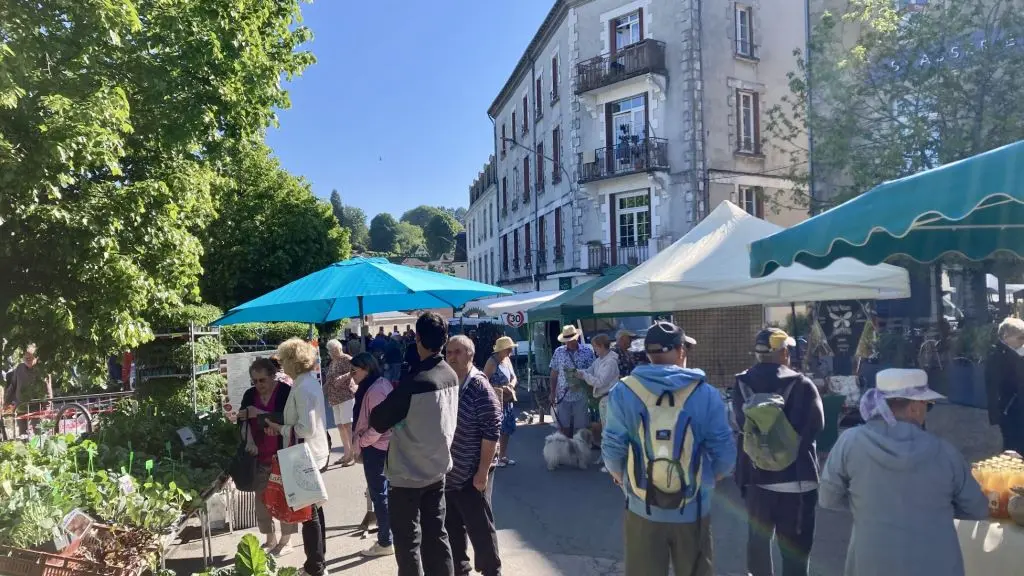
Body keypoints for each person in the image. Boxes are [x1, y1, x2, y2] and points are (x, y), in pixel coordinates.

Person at [820, 368, 989, 576]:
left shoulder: (849, 443)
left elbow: (827, 498)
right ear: (915, 408)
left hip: (871, 564)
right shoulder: (945, 453)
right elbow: (978, 508)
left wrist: (868, 505)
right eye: (928, 405)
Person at [602, 321, 736, 576]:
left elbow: (612, 449)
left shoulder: (624, 391)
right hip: (694, 507)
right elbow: (725, 454)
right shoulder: (705, 393)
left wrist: (625, 481)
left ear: (648, 353)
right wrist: (708, 479)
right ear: (681, 350)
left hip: (642, 506)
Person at [370, 311, 460, 576]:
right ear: (445, 339)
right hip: (437, 468)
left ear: (417, 338)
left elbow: (379, 420)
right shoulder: (450, 374)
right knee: (437, 536)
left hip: (407, 475)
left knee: (408, 541)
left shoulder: (417, 381)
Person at [733, 328, 824, 576]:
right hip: (797, 481)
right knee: (796, 552)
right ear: (783, 353)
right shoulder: (802, 384)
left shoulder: (741, 383)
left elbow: (740, 424)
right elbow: (816, 426)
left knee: (758, 549)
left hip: (756, 479)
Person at [263, 338, 331, 576]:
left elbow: (306, 429)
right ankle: (319, 561)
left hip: (306, 456)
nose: (281, 364)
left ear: (293, 361)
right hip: (311, 453)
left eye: (283, 360)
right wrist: (281, 426)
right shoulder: (306, 382)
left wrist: (280, 428)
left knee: (308, 515)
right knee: (314, 510)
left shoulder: (302, 387)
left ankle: (315, 567)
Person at [444, 335, 503, 576]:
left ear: (471, 354)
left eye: (458, 352)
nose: (452, 357)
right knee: (452, 528)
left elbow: (492, 432)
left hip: (473, 472)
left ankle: (492, 571)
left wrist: (482, 472)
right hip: (450, 471)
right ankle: (461, 570)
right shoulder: (450, 383)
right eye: (448, 352)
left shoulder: (479, 387)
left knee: (480, 528)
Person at [238, 357, 296, 556]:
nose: (258, 385)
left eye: (262, 380)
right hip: (259, 456)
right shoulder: (249, 394)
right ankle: (270, 539)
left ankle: (286, 540)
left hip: (283, 454)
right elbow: (242, 420)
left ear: (273, 376)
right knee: (261, 500)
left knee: (285, 499)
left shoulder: (285, 392)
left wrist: (260, 413)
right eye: (254, 381)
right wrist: (249, 441)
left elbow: (289, 419)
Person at [351, 352, 396, 557]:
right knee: (384, 494)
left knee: (380, 495)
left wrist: (361, 441)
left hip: (377, 448)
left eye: (354, 371)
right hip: (382, 447)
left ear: (366, 369)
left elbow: (380, 425)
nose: (351, 376)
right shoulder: (377, 384)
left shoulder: (375, 390)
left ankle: (385, 542)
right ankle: (389, 537)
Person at [578, 334, 619, 464]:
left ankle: (611, 460)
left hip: (609, 398)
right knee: (605, 430)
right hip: (603, 399)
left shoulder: (611, 362)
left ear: (601, 346)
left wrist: (584, 376)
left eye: (595, 347)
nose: (594, 349)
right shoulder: (600, 360)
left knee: (609, 431)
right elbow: (590, 370)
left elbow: (600, 382)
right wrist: (579, 372)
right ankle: (606, 457)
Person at [548, 325, 596, 438]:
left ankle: (580, 447)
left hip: (581, 395)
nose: (569, 342)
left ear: (577, 338)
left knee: (581, 428)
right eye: (567, 340)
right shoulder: (558, 352)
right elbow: (554, 374)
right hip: (563, 395)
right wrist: (552, 392)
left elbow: (593, 372)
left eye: (571, 340)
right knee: (563, 427)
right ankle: (566, 447)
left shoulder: (587, 352)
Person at [986, 317, 1024, 453]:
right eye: (1020, 337)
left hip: (1015, 408)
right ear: (1006, 336)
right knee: (1013, 446)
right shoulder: (997, 355)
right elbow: (992, 386)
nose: (1023, 341)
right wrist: (996, 415)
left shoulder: (1014, 352)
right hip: (1010, 410)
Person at [484, 337, 518, 468]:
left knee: (506, 429)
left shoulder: (507, 360)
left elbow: (514, 377)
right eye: (508, 349)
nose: (510, 351)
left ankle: (503, 455)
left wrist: (511, 385)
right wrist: (499, 388)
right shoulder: (492, 362)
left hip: (508, 400)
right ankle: (494, 457)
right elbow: (484, 381)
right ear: (501, 349)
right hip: (495, 401)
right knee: (496, 430)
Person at [324, 339, 357, 467]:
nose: (330, 353)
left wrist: (342, 378)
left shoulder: (347, 359)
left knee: (347, 426)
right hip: (334, 398)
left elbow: (355, 372)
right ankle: (346, 453)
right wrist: (321, 391)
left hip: (346, 396)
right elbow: (329, 380)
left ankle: (353, 455)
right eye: (329, 350)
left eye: (332, 350)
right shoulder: (333, 362)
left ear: (338, 349)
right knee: (340, 426)